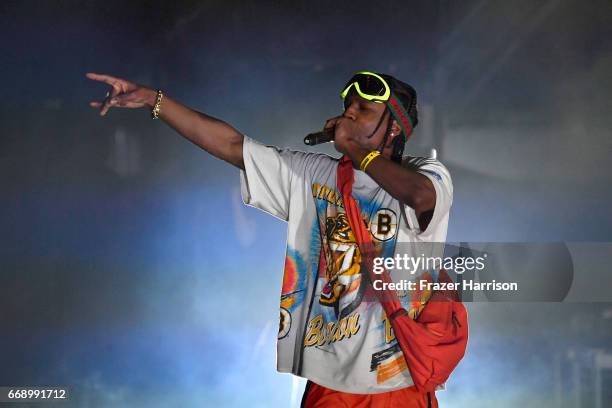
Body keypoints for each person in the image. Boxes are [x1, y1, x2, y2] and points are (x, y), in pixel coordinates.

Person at [87, 70, 467, 407]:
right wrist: (155, 101)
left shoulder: (428, 173)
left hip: (397, 381)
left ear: (395, 127)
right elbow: (234, 146)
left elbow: (420, 197)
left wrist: (355, 148)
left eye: (364, 109)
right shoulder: (315, 174)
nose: (350, 112)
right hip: (329, 384)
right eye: (348, 105)